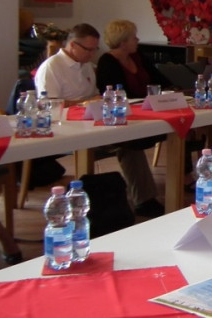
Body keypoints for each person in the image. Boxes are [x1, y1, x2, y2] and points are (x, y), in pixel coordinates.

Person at [35, 22, 164, 218]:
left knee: (130, 139)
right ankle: (141, 199)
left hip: (92, 123)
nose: (92, 54)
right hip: (66, 128)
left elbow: (95, 95)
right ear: (72, 45)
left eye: (95, 49)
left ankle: (144, 199)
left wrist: (96, 101)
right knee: (126, 143)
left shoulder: (86, 66)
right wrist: (84, 102)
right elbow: (48, 105)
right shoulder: (52, 67)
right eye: (88, 49)